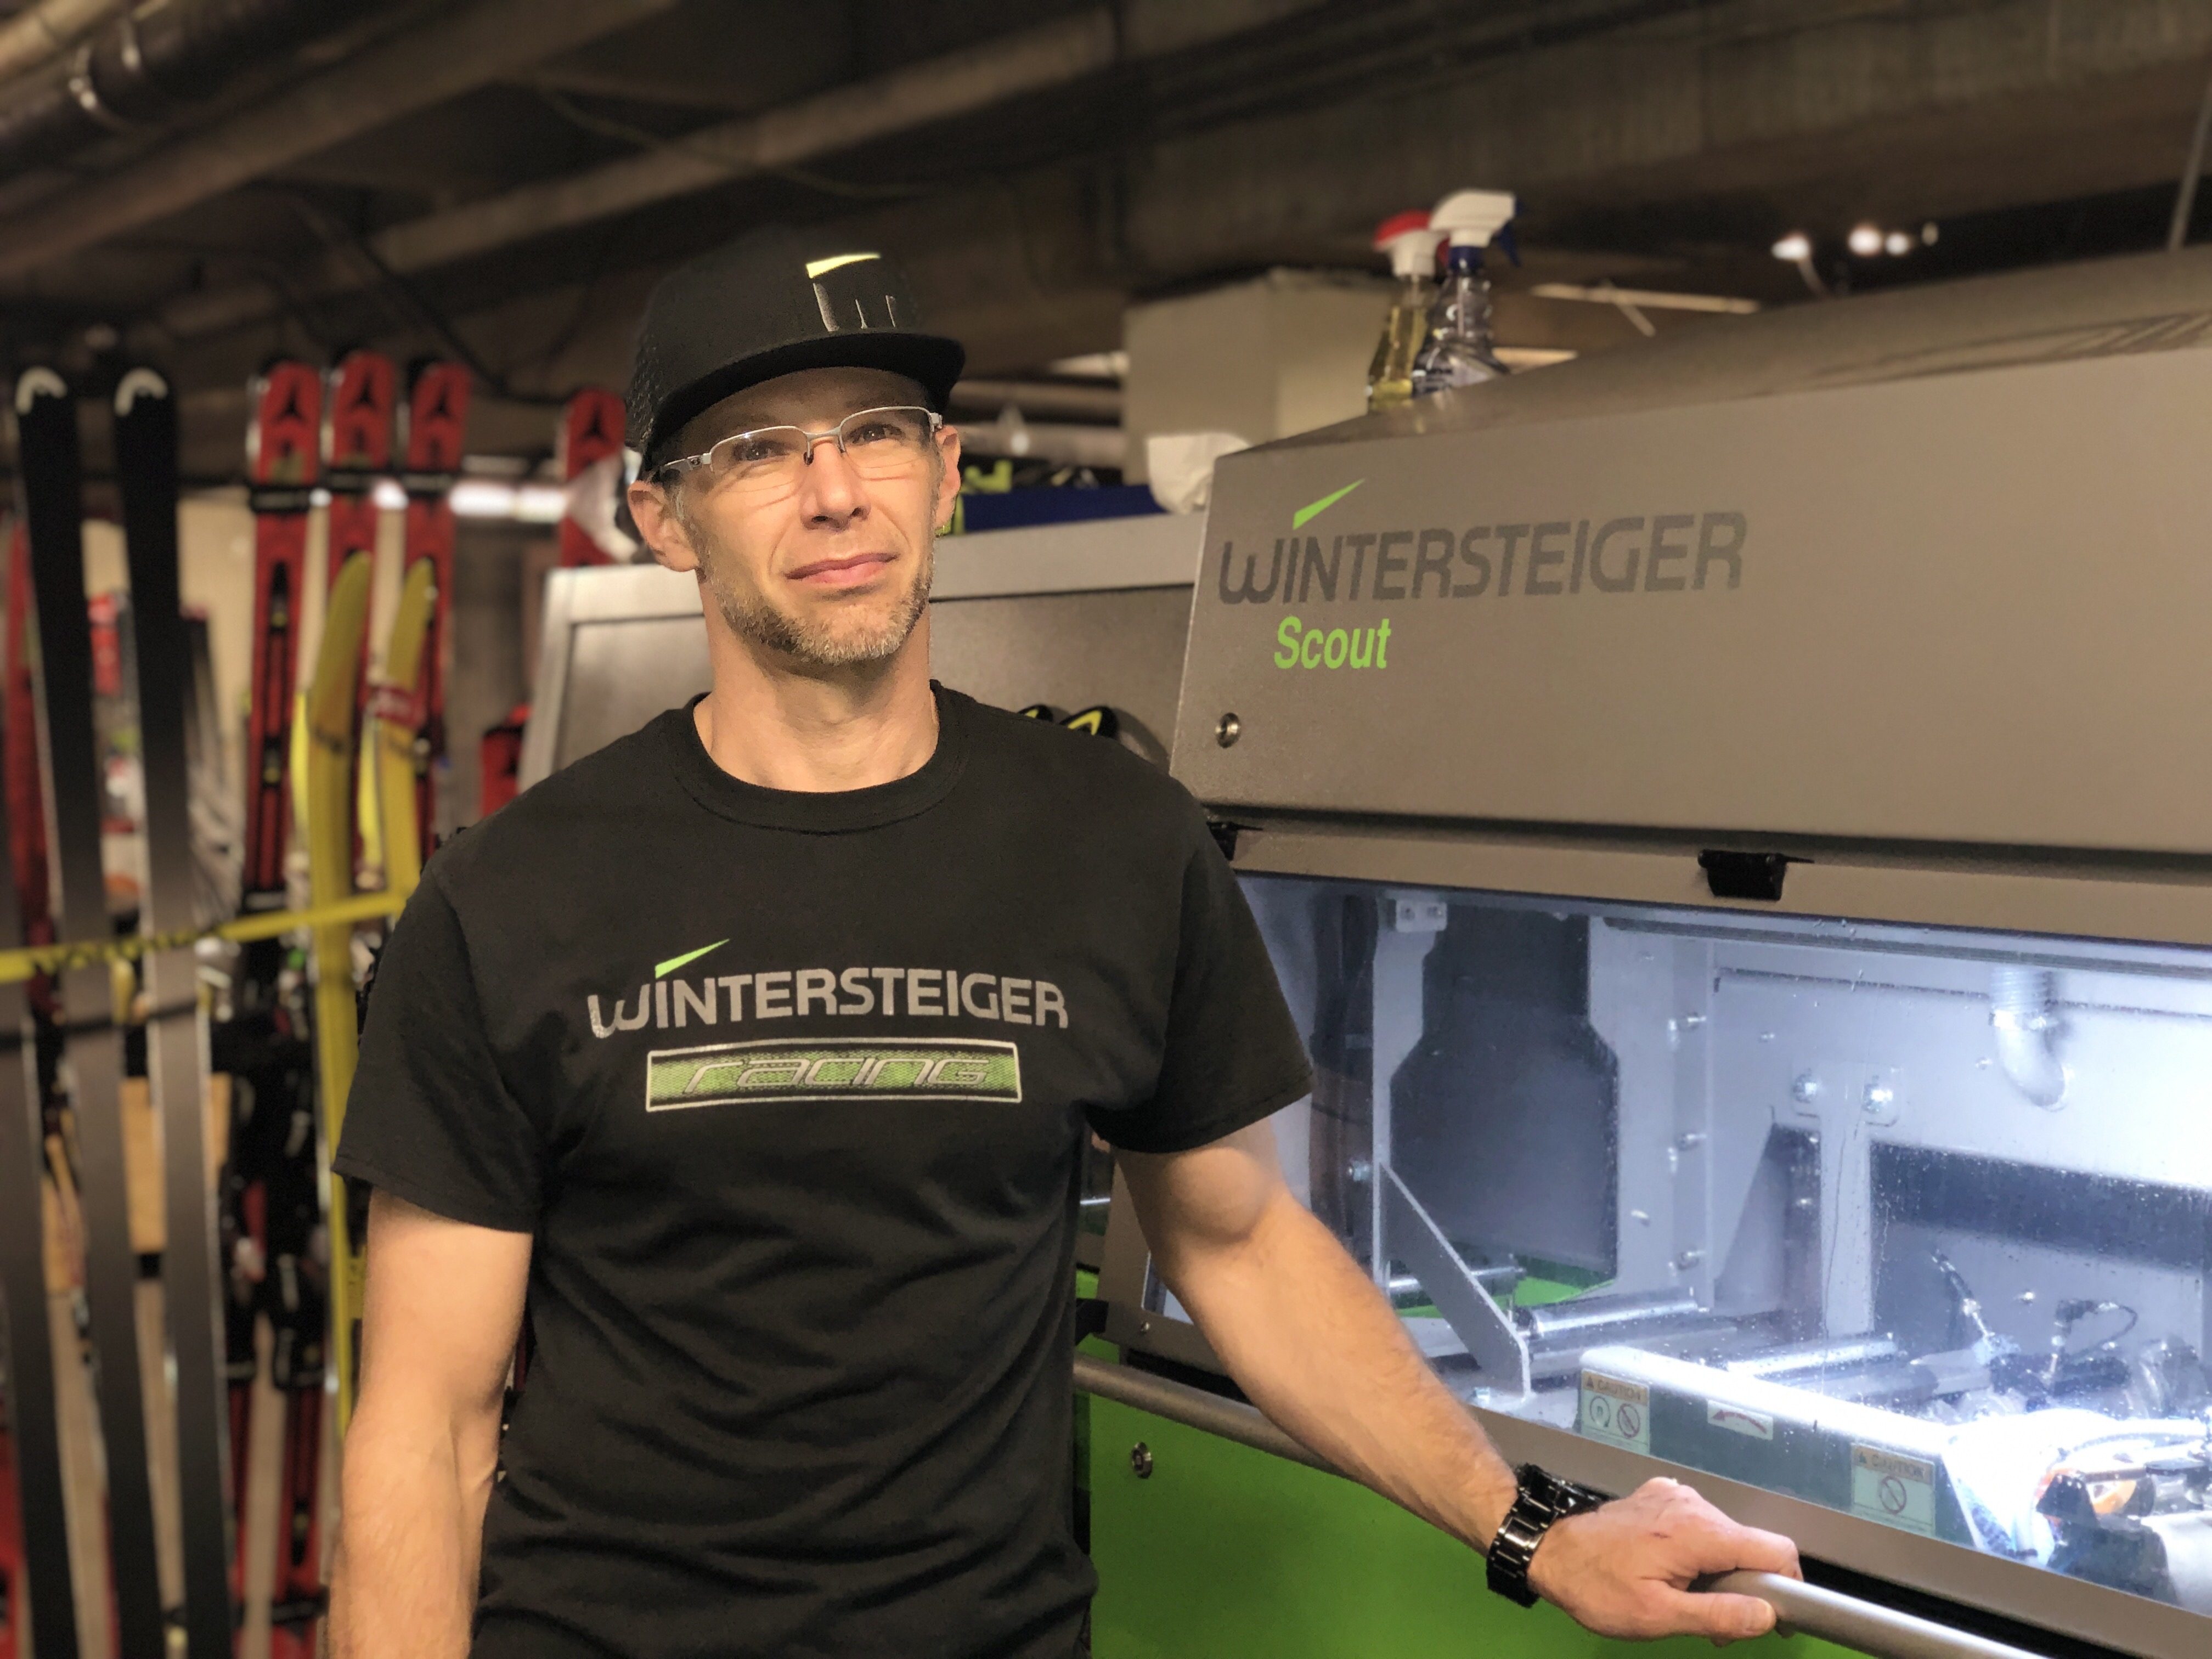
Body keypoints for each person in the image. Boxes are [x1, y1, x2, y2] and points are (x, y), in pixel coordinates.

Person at [326, 227, 1799, 1659]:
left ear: (947, 474)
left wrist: (1530, 1527)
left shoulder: (1113, 842)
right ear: (664, 521)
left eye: (877, 433)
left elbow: (1242, 1246)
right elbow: (429, 1424)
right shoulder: (512, 900)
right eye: (757, 452)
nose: (833, 493)